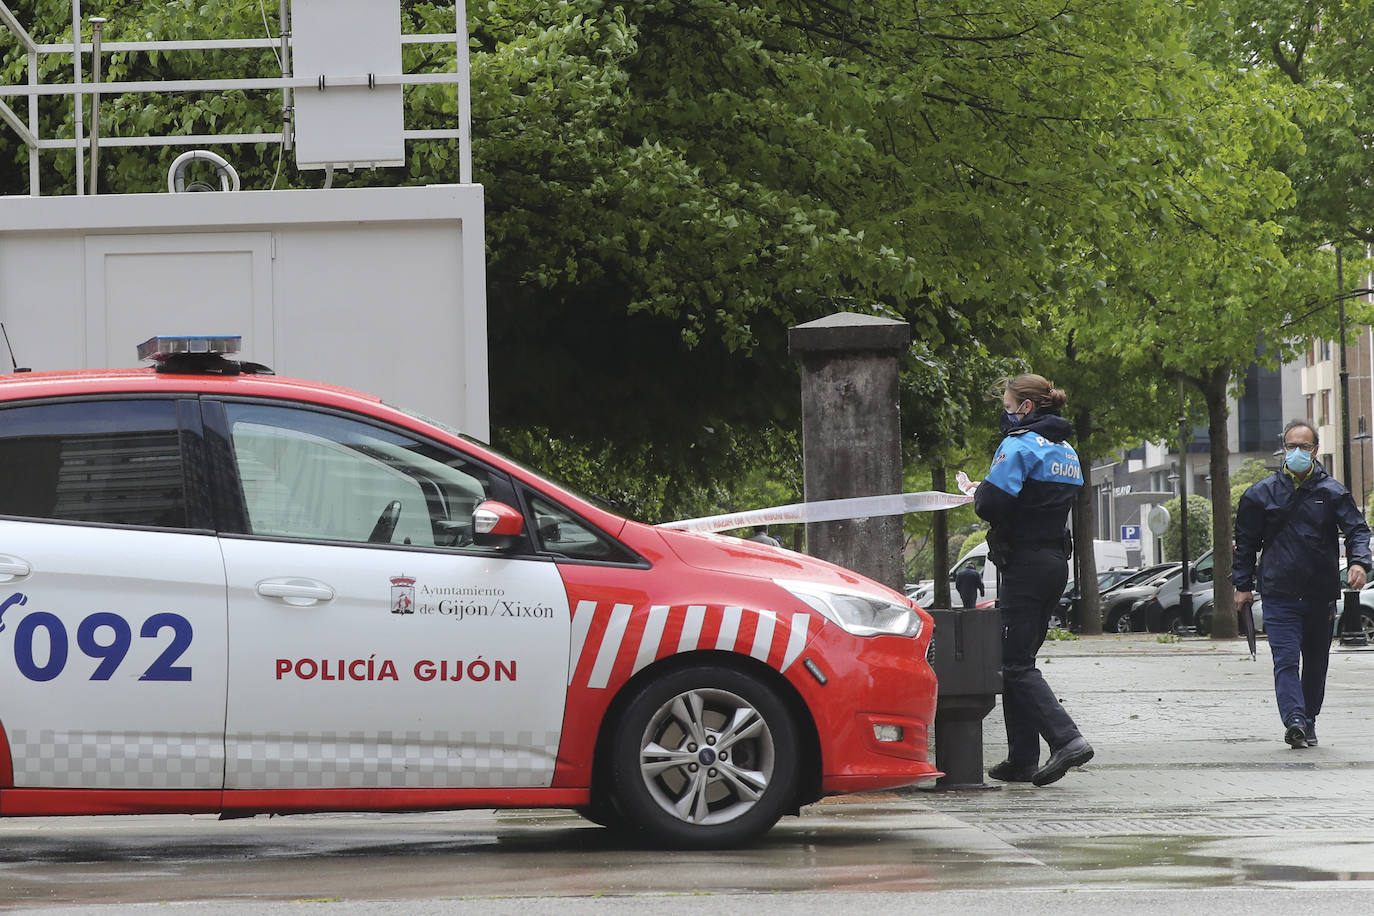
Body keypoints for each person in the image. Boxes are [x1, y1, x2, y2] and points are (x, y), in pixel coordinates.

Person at [974, 374, 1093, 786]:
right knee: (1019, 658)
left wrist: (978, 491)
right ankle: (1021, 756)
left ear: (1025, 407)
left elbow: (991, 504)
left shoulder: (1019, 444)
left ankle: (1067, 739)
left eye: (1007, 402)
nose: (1005, 410)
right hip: (1055, 563)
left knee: (1013, 662)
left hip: (1023, 563)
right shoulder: (1066, 449)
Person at [1232, 419, 1370, 749]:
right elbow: (1245, 543)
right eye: (1291, 446)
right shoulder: (1259, 495)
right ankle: (1293, 719)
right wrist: (1242, 586)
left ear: (1315, 450)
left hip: (1320, 594)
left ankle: (1309, 718)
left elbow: (1357, 531)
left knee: (1317, 661)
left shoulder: (1333, 492)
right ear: (1283, 449)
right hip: (1279, 593)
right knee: (1286, 659)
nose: (1297, 452)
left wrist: (1359, 563)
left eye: (1304, 447)